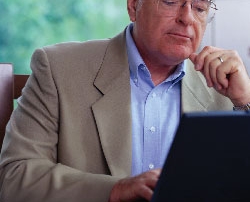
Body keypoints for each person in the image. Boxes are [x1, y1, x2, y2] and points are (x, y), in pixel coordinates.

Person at [1, 0, 250, 201]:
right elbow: (14, 178)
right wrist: (116, 190)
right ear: (133, 6)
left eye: (199, 7)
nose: (187, 18)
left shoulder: (224, 86)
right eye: (170, 1)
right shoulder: (58, 68)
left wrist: (245, 101)